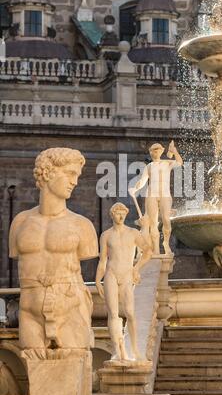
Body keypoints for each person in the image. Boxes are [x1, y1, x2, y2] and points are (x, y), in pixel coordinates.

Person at [9, 147, 99, 353]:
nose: (75, 182)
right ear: (48, 173)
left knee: (71, 377)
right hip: (29, 313)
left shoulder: (82, 226)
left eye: (77, 175)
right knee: (36, 378)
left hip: (70, 311)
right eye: (70, 173)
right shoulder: (20, 223)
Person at [96, 202, 152, 362]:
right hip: (111, 275)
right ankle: (119, 351)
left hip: (127, 274)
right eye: (117, 213)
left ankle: (135, 350)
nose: (120, 216)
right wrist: (97, 280)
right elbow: (102, 261)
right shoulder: (106, 235)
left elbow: (148, 251)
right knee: (113, 314)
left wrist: (136, 268)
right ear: (112, 215)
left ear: (126, 215)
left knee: (130, 313)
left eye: (123, 213)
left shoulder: (133, 233)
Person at [129, 141, 183, 255]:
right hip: (152, 194)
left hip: (165, 194)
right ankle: (156, 251)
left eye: (158, 149)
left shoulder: (167, 163)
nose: (155, 151)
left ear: (162, 150)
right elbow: (142, 181)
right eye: (153, 150)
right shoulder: (149, 166)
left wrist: (174, 151)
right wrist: (135, 188)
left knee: (166, 220)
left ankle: (166, 243)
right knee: (153, 223)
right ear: (150, 153)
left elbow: (179, 162)